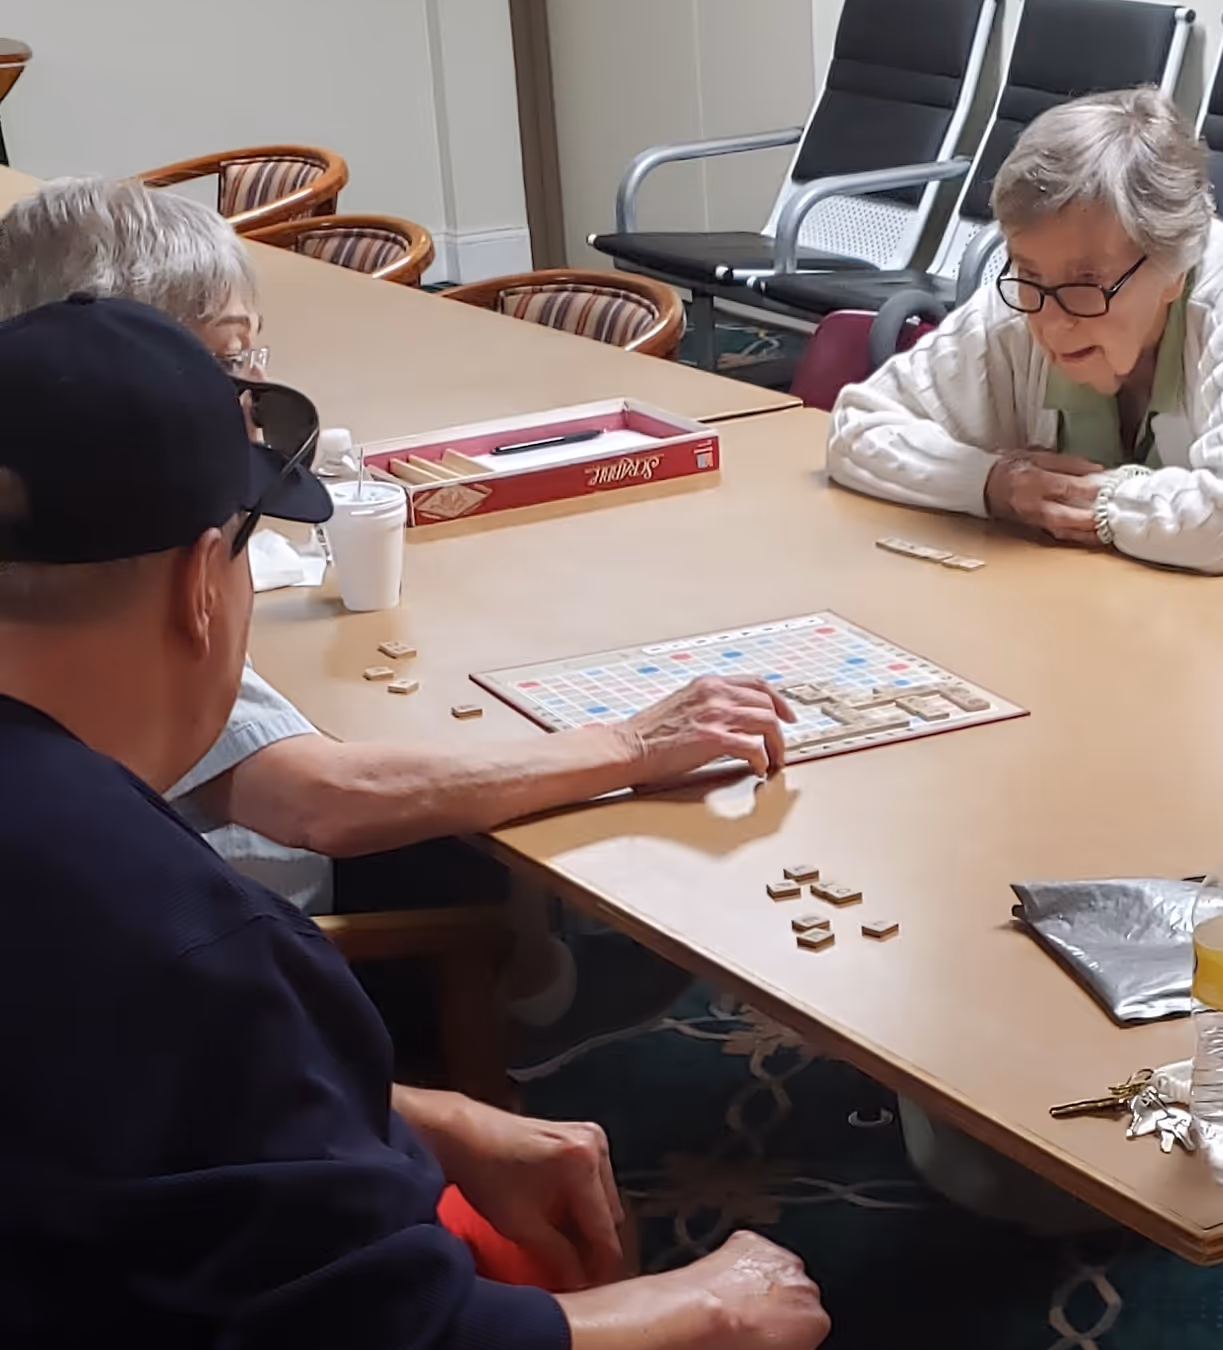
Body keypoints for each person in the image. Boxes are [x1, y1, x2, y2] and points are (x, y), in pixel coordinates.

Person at [0, 296, 969, 1350]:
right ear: (203, 580)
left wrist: (422, 1113)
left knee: (528, 1265)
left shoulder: (105, 908)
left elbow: (84, 1068)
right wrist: (709, 1300)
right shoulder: (184, 941)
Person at [0, 176, 792, 1069]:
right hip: (220, 970)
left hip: (136, 956)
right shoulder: (142, 585)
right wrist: (632, 745)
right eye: (231, 363)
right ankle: (525, 1009)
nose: (255, 396)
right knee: (452, 814)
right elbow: (319, 800)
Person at [825, 88, 1223, 578]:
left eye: (1087, 283)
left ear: (1174, 264)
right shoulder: (1021, 301)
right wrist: (995, 484)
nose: (1052, 320)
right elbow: (855, 431)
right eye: (1027, 272)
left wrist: (1091, 504)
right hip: (1102, 618)